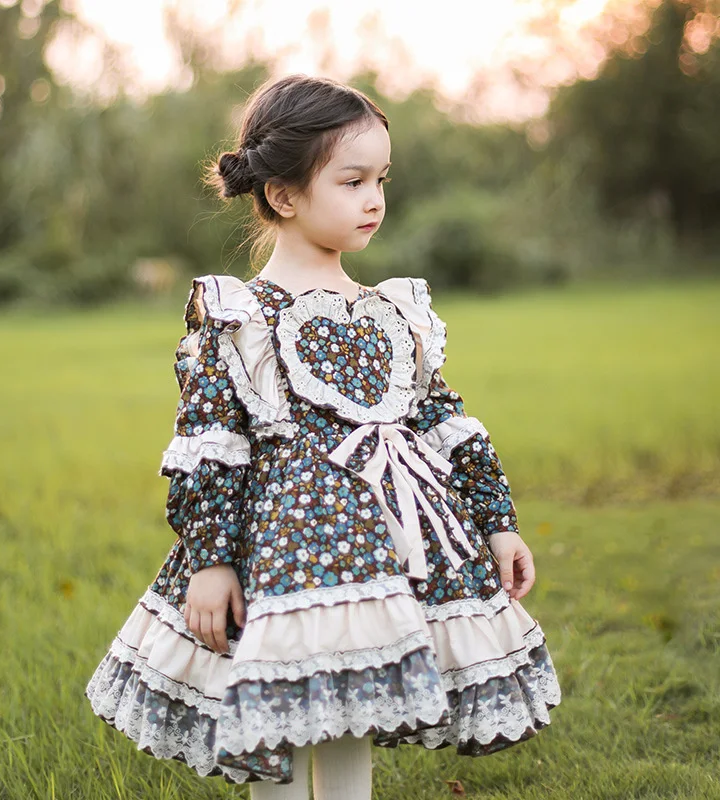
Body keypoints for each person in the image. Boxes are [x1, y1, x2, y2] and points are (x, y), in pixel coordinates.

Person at [85, 73, 562, 799]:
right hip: (289, 553)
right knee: (283, 711)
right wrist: (211, 561)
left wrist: (496, 523)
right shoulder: (240, 316)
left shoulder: (393, 311)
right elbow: (210, 444)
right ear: (283, 194)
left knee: (350, 718)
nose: (375, 198)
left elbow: (442, 420)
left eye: (382, 179)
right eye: (352, 180)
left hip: (389, 547)